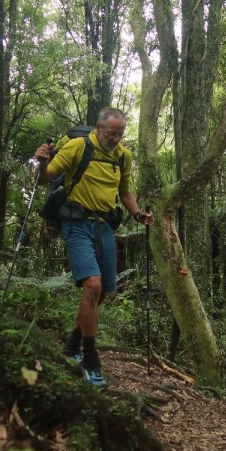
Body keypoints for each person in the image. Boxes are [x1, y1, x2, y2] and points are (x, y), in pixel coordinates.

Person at [34, 107, 153, 388]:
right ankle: (90, 357)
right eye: (111, 133)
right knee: (94, 285)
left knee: (101, 294)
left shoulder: (123, 156)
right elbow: (45, 178)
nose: (115, 139)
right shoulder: (78, 146)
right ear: (98, 129)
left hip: (105, 227)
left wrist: (138, 215)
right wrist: (41, 162)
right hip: (76, 223)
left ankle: (72, 343)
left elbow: (124, 191)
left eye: (120, 134)